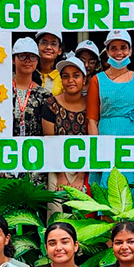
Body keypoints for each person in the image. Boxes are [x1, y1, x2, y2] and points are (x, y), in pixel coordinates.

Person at [87, 30, 134, 138]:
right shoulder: (97, 80)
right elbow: (92, 121)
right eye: (113, 48)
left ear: (130, 51)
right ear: (107, 52)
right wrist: (97, 148)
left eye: (123, 48)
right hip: (106, 141)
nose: (119, 53)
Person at [42, 55, 90, 203]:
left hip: (86, 165)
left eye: (76, 76)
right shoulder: (51, 104)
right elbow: (50, 143)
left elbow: (92, 141)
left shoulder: (91, 104)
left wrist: (81, 176)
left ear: (84, 79)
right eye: (66, 76)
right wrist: (61, 175)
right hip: (57, 165)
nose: (70, 81)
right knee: (56, 207)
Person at [11, 37, 53, 139]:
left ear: (37, 61)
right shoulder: (2, 91)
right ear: (13, 60)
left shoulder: (44, 95)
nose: (28, 60)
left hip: (35, 150)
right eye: (22, 56)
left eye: (32, 57)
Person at [35, 30, 64, 96]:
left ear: (59, 50)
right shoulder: (29, 72)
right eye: (44, 42)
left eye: (53, 44)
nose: (48, 47)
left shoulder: (63, 76)